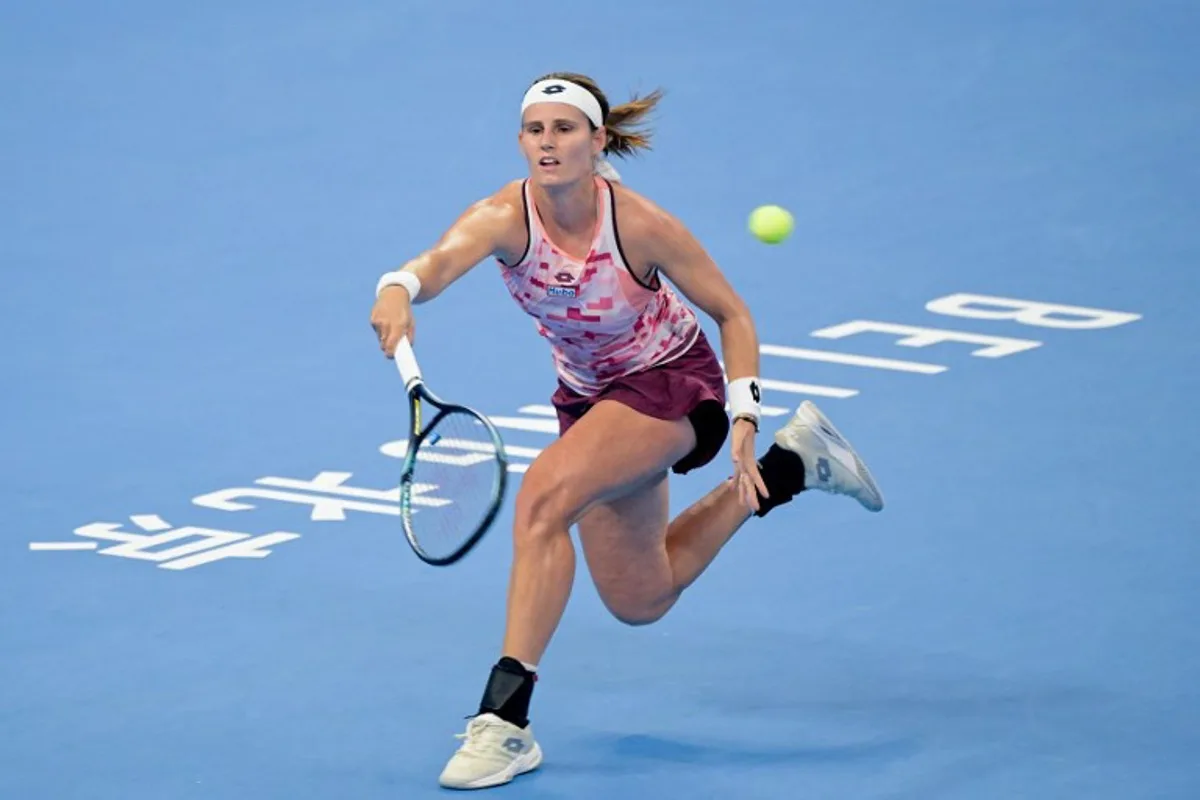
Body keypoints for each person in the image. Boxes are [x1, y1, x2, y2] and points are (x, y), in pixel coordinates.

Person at [369, 72, 885, 790]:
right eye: (535, 130)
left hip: (673, 381)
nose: (548, 144)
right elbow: (434, 263)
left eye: (565, 129)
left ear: (596, 140)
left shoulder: (639, 224)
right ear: (521, 141)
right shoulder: (499, 217)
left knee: (544, 496)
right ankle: (795, 464)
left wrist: (742, 415)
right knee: (641, 597)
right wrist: (397, 287)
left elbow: (732, 314)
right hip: (589, 399)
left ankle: (504, 722)